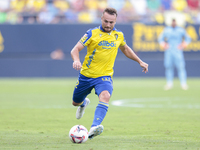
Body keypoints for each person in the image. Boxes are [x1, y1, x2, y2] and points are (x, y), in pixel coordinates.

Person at [71, 7, 148, 139]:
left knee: (105, 95)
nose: (108, 25)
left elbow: (125, 49)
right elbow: (75, 49)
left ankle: (94, 127)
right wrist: (76, 60)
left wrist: (140, 61)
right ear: (101, 19)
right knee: (75, 102)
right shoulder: (91, 33)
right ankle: (83, 103)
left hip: (104, 76)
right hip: (87, 75)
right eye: (106, 21)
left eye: (111, 22)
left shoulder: (119, 35)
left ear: (116, 21)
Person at [158, 19, 191, 90]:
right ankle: (169, 83)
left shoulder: (181, 30)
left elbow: (188, 38)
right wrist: (164, 45)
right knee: (168, 66)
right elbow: (160, 38)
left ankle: (183, 83)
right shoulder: (167, 30)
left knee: (181, 67)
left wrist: (183, 45)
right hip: (169, 51)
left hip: (177, 51)